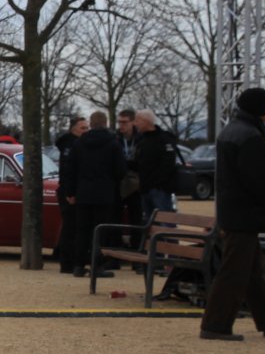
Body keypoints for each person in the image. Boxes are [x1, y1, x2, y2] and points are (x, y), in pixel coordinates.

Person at [201, 87, 265, 342]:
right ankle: (215, 325)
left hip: (235, 211)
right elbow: (259, 180)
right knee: (234, 271)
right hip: (244, 214)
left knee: (253, 269)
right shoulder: (251, 136)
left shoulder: (233, 131)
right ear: (260, 107)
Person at [63, 109, 125, 278]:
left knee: (82, 230)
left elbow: (71, 168)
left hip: (83, 192)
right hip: (104, 193)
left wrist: (70, 191)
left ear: (91, 124)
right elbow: (120, 170)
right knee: (100, 230)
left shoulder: (79, 143)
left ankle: (78, 265)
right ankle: (97, 265)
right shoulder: (113, 143)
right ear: (105, 123)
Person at [132, 109, 180, 223]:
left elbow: (168, 165)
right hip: (145, 189)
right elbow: (139, 163)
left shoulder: (164, 139)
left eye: (137, 120)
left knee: (165, 222)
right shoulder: (141, 140)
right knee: (150, 224)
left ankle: (168, 237)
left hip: (160, 190)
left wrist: (158, 184)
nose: (135, 124)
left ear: (146, 121)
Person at [54, 114, 88, 273]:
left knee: (72, 226)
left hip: (70, 190)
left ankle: (69, 260)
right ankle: (67, 262)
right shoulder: (71, 146)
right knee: (70, 227)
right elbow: (68, 172)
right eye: (83, 128)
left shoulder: (71, 144)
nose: (86, 131)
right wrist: (70, 193)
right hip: (69, 192)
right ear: (74, 129)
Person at [116, 107, 143, 247]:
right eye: (119, 122)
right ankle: (115, 249)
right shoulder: (115, 138)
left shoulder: (140, 139)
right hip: (119, 183)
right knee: (115, 218)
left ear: (133, 122)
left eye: (124, 122)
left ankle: (136, 249)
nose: (121, 125)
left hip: (136, 185)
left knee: (136, 219)